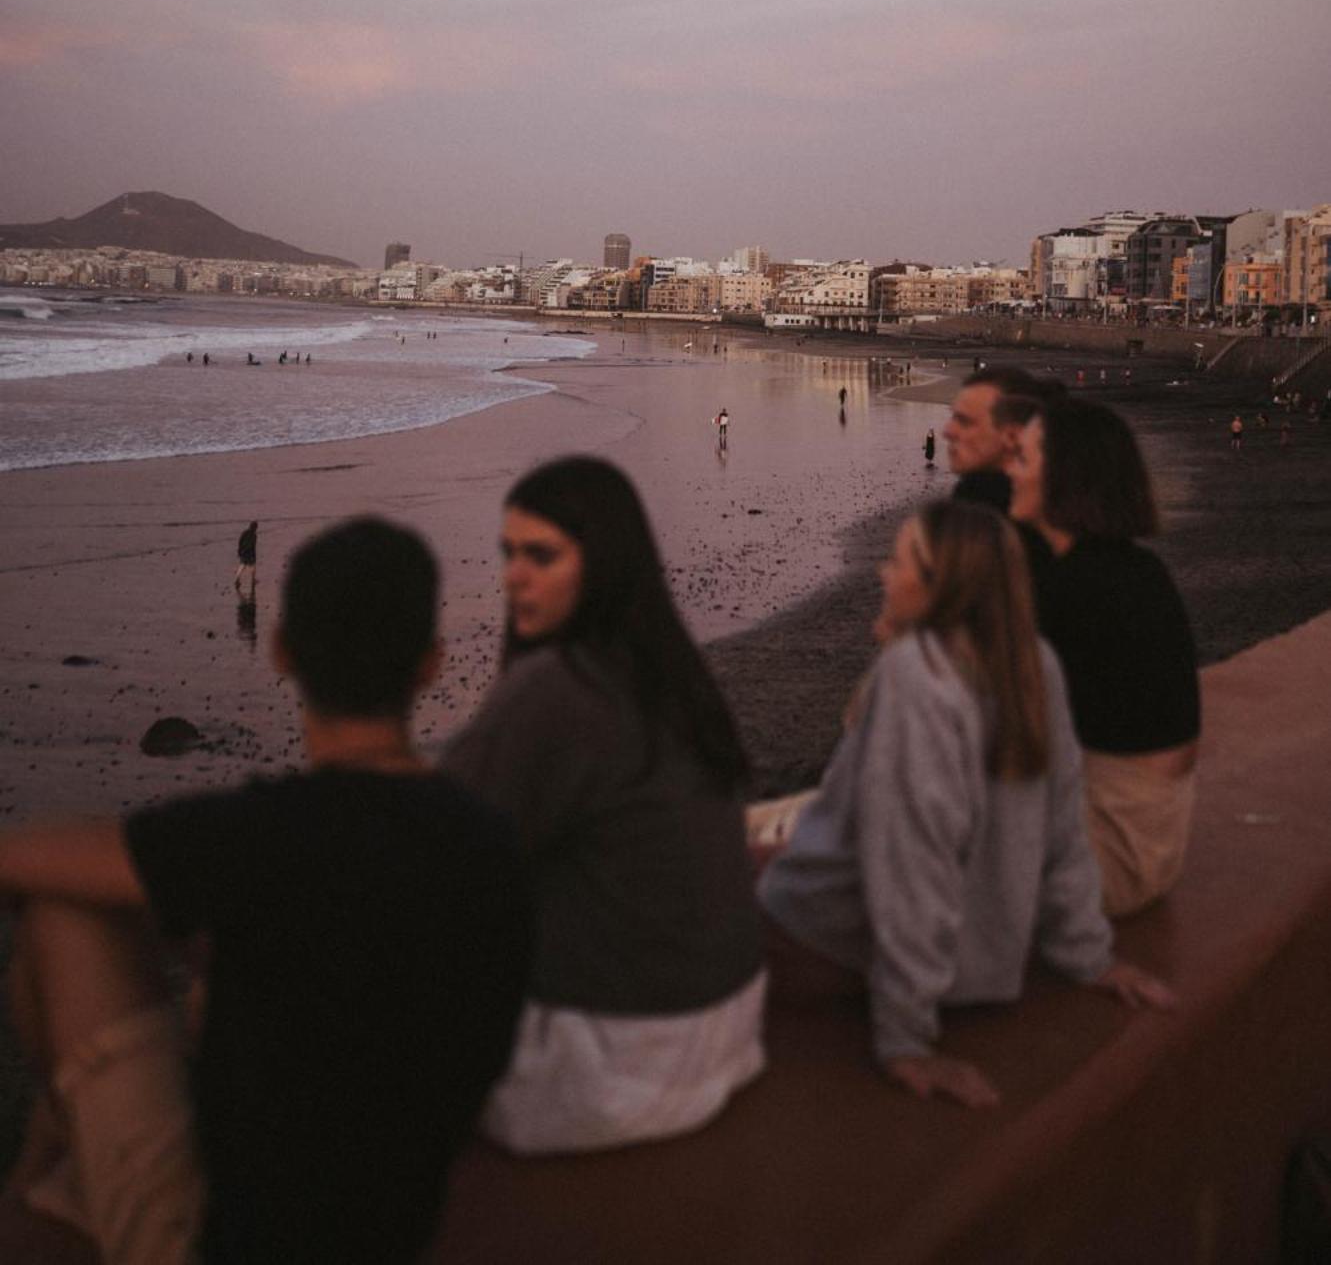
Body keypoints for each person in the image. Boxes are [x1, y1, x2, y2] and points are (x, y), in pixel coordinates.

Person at [0, 518, 531, 1264]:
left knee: (65, 914)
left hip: (219, 1242)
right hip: (403, 1222)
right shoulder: (492, 842)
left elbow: (37, 859)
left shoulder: (254, 838)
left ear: (281, 652)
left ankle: (52, 1187)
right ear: (430, 665)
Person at [758, 501, 1170, 1106]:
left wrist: (906, 1039)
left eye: (898, 561)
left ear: (940, 589)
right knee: (741, 850)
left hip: (827, 940)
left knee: (688, 871)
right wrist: (1088, 955)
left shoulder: (913, 676)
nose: (881, 572)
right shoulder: (1036, 665)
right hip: (982, 957)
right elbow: (1063, 828)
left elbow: (911, 864)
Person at [442, 456, 765, 1153]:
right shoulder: (673, 676)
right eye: (507, 554)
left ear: (604, 562)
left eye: (540, 556)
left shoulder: (557, 689)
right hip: (725, 1030)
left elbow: (443, 858)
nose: (512, 576)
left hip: (614, 1065)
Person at [1005, 399, 1201, 917]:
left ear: (1062, 477)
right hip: (1151, 841)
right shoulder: (1135, 569)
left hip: (1109, 857)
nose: (1009, 471)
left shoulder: (1080, 589)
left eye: (1022, 459)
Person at [943, 366, 1056, 512]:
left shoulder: (1021, 516)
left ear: (1012, 436)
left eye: (965, 421)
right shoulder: (973, 494)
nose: (947, 431)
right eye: (953, 417)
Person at [233, 519, 258, 605]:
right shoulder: (254, 536)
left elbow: (240, 542)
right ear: (255, 528)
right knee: (253, 568)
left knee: (242, 566)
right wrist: (254, 556)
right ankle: (253, 580)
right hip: (250, 553)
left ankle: (237, 579)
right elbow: (253, 547)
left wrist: (239, 551)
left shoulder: (244, 533)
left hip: (243, 552)